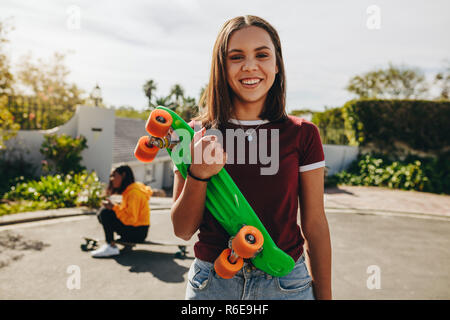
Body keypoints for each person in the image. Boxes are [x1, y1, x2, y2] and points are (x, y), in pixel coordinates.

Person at [171, 15, 332, 300]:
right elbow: (183, 230)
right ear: (221, 66)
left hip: (286, 285)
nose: (249, 66)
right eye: (236, 57)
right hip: (212, 285)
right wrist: (198, 174)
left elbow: (315, 224)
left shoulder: (303, 134)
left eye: (262, 55)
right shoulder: (192, 133)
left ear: (277, 64)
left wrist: (326, 296)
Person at [91, 165, 153, 258]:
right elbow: (128, 213)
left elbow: (131, 219)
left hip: (137, 233)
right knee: (104, 212)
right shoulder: (132, 189)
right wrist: (116, 206)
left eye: (114, 176)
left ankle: (111, 247)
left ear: (123, 175)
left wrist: (114, 207)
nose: (112, 179)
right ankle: (112, 244)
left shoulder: (134, 193)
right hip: (138, 230)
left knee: (104, 213)